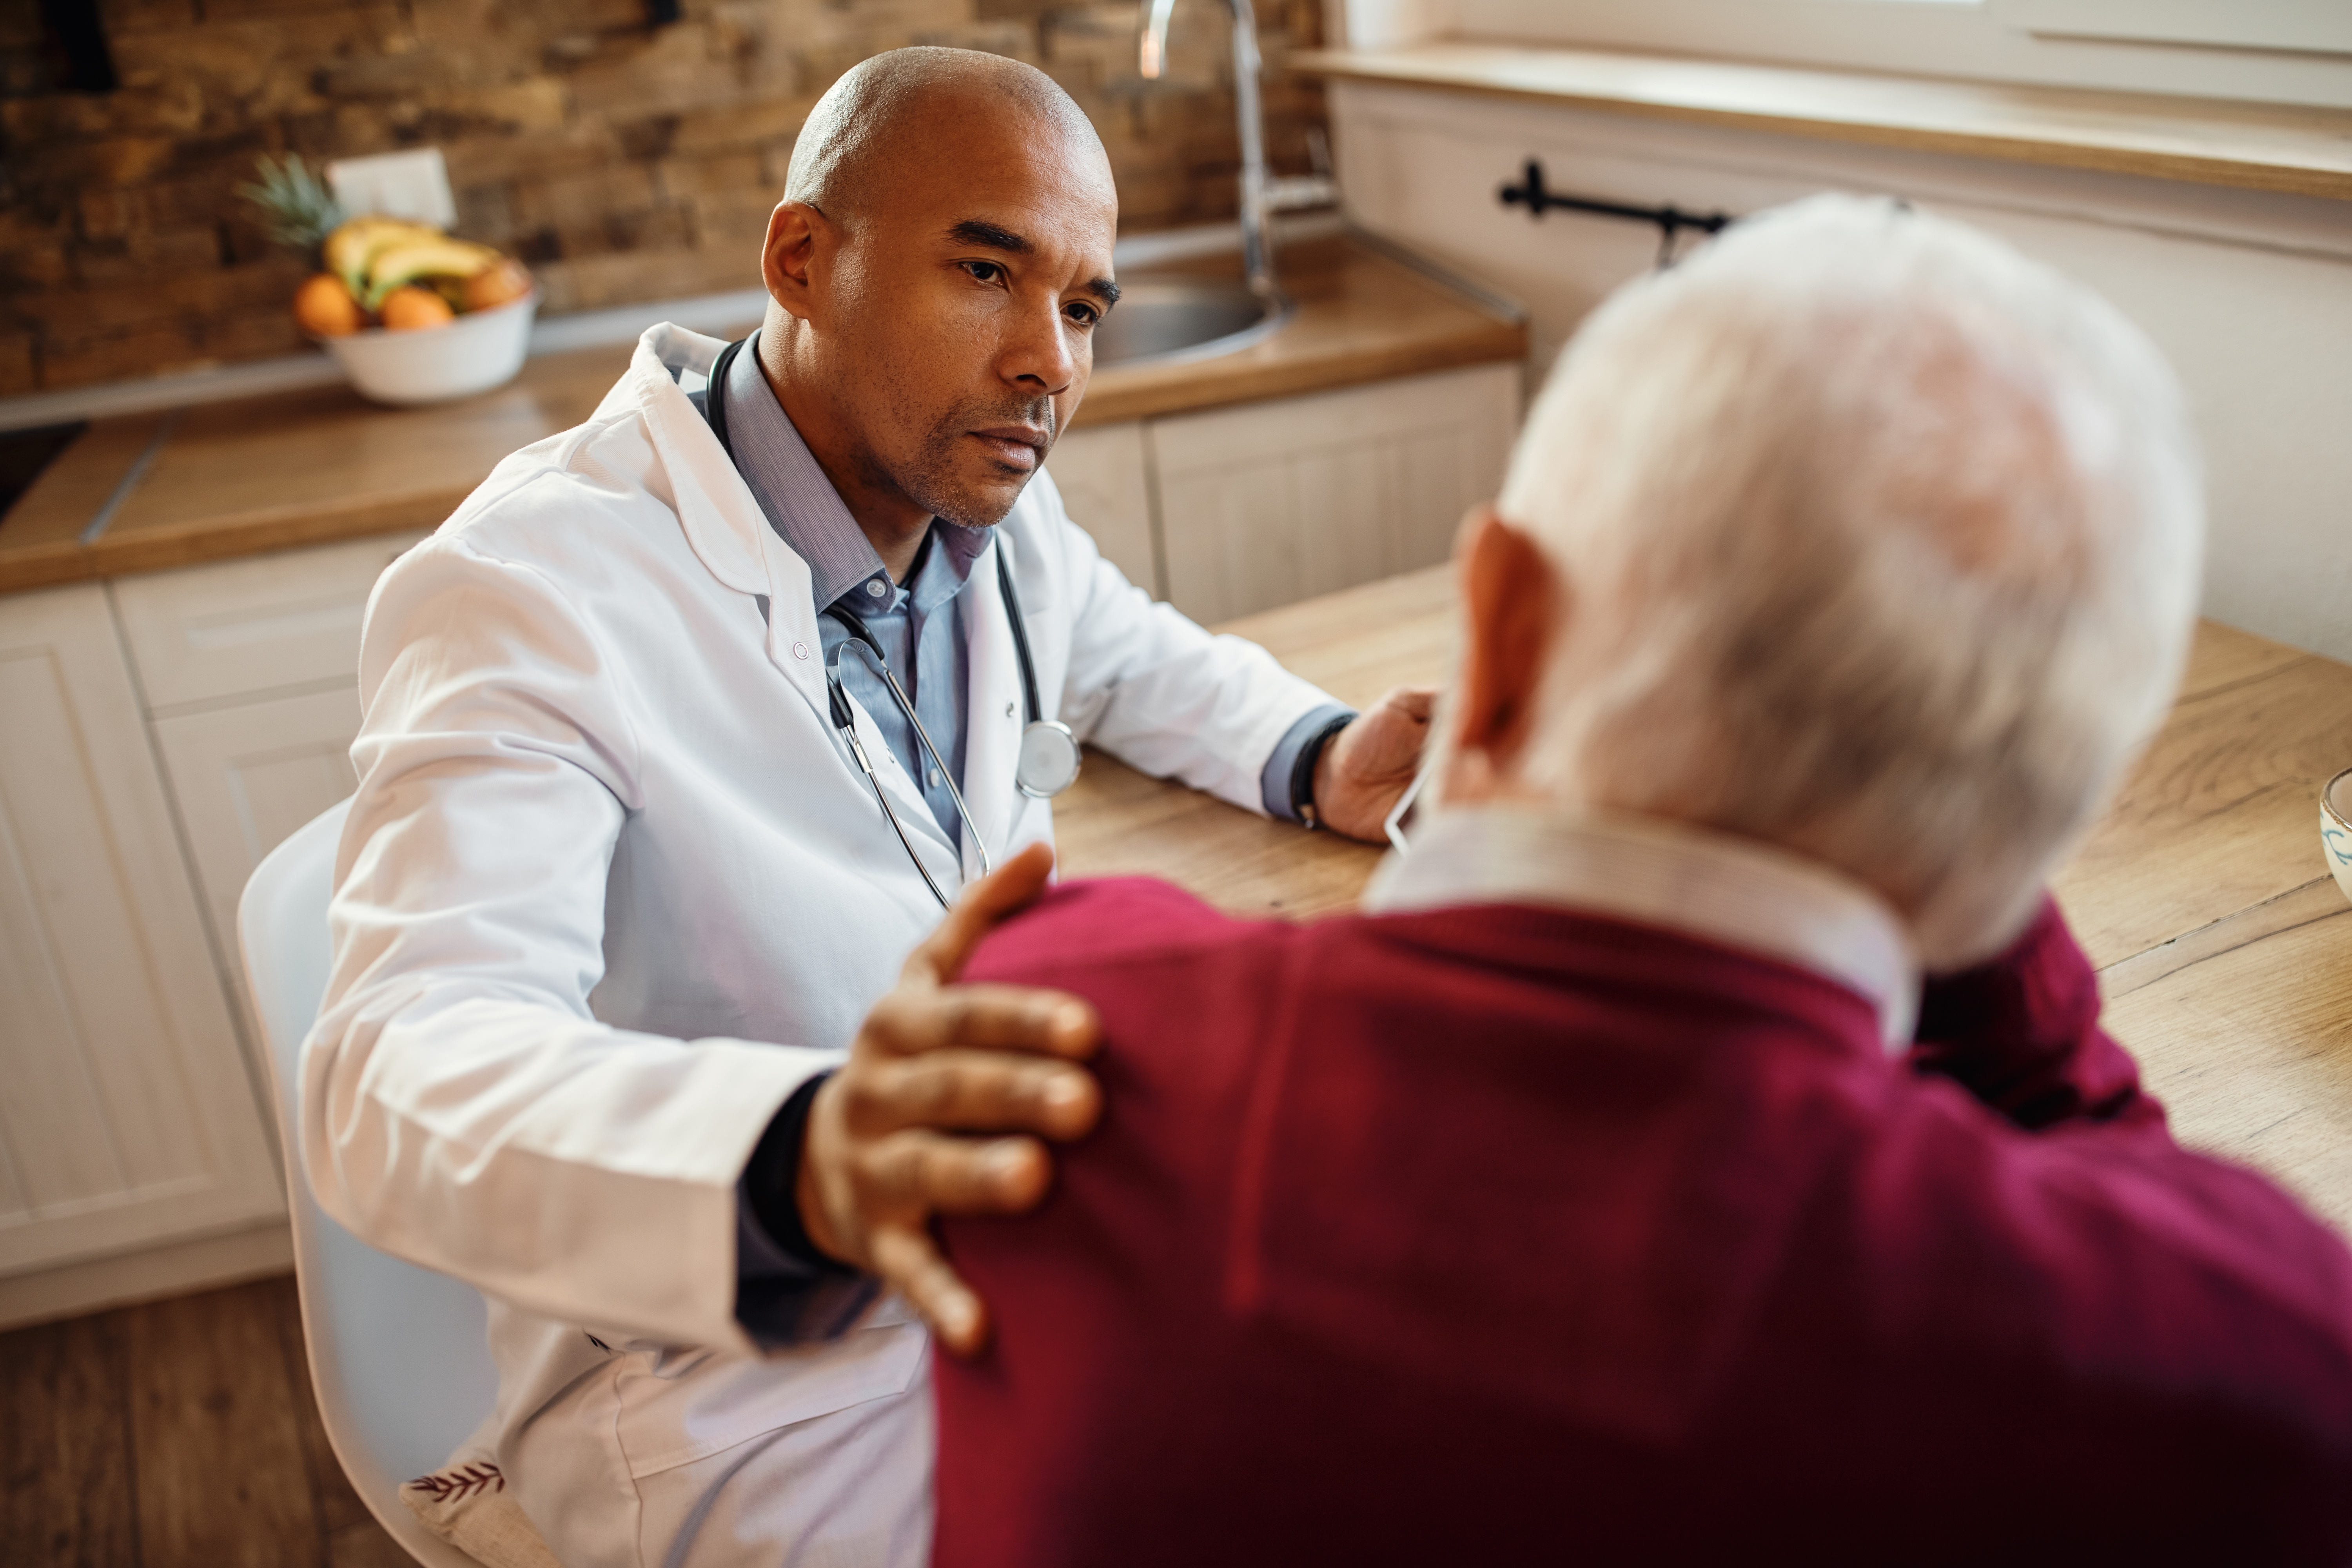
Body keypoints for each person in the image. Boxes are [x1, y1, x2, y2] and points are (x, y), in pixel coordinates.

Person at [922, 196, 2352, 1565]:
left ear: (1501, 618)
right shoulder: (2252, 1368)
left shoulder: (1047, 1038)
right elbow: (2128, 1175)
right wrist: (1946, 786)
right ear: (2047, 812)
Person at [304, 47, 1425, 1568]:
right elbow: (393, 1065)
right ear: (803, 259)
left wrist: (1318, 748)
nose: (1052, 361)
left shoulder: (980, 503)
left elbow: (1123, 648)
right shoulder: (531, 588)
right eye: (988, 269)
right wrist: (802, 1156)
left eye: (1083, 305)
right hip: (738, 1387)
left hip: (1011, 1261)